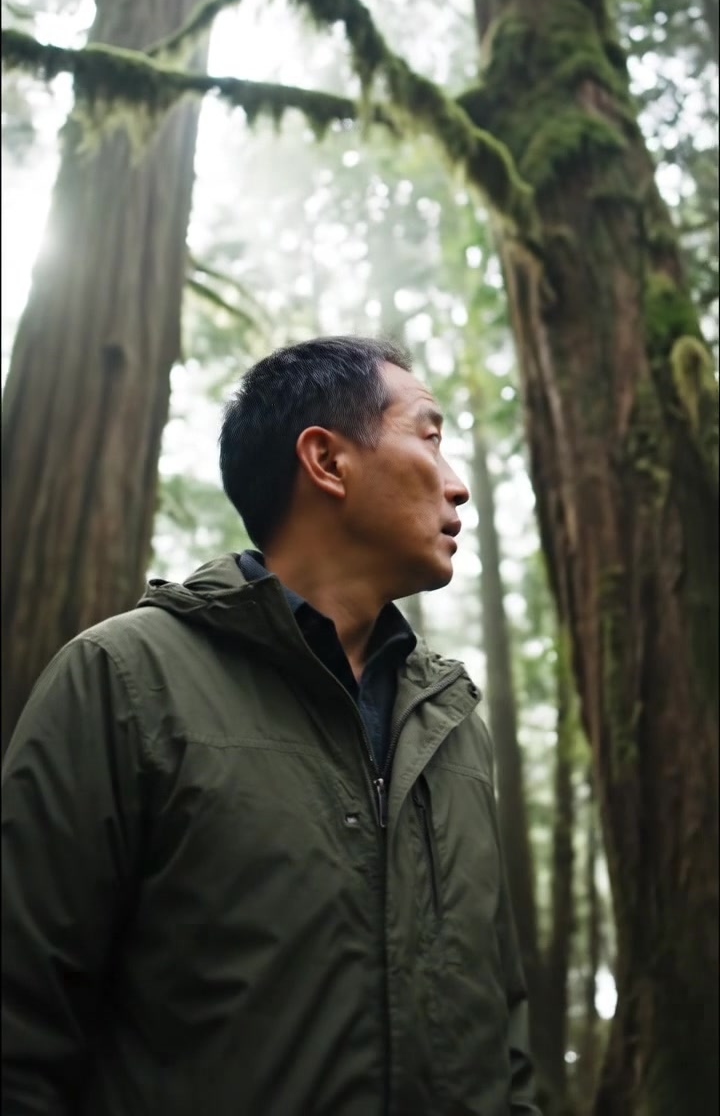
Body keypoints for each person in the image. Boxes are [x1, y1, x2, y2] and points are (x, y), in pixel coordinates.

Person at [2, 335, 540, 1116]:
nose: (457, 488)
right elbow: (21, 1025)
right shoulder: (124, 681)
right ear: (327, 461)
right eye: (429, 436)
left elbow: (505, 1037)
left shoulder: (453, 728)